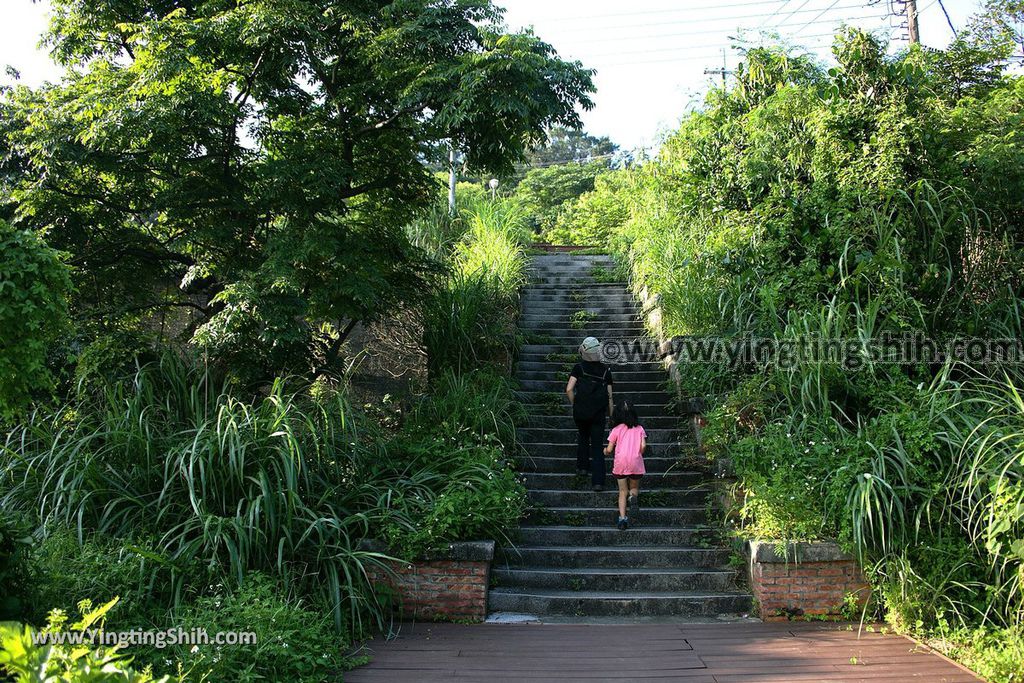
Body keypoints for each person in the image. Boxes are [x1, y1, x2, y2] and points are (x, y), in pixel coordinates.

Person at [565, 337, 613, 491]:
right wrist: (611, 415)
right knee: (598, 447)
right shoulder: (606, 371)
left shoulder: (579, 368)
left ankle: (582, 467)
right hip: (599, 414)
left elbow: (569, 389)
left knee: (583, 437)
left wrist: (576, 404)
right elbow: (610, 396)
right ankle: (598, 482)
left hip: (582, 412)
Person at [604, 400, 646, 530]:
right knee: (633, 488)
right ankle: (633, 498)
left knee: (622, 491)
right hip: (635, 462)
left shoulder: (616, 429)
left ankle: (622, 519)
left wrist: (605, 451)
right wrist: (639, 453)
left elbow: (610, 449)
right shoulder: (639, 428)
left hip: (621, 463)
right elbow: (643, 446)